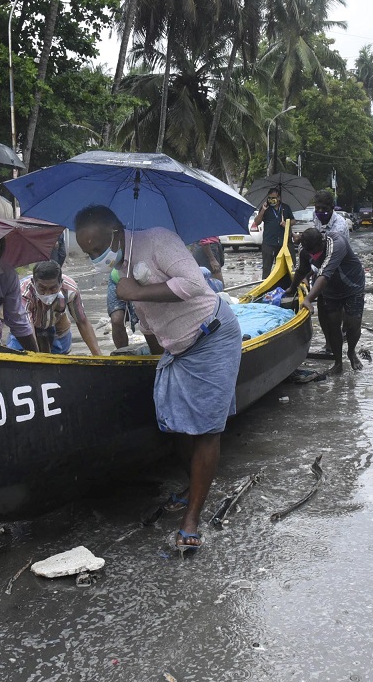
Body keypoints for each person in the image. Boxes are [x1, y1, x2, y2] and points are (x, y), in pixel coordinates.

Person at [75, 205, 241, 553]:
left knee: (208, 428)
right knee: (175, 423)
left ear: (116, 233)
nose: (94, 258)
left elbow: (194, 284)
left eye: (96, 248)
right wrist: (156, 357)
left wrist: (137, 293)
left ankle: (192, 517)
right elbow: (147, 321)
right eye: (88, 252)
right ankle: (192, 485)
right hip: (176, 349)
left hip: (211, 337)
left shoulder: (157, 241)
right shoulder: (119, 269)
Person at [284, 227, 366, 374]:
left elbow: (325, 273)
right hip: (330, 289)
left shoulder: (336, 243)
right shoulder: (304, 248)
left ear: (321, 242)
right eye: (310, 253)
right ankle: (338, 363)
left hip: (352, 285)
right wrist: (291, 288)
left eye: (315, 251)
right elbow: (302, 270)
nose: (313, 255)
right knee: (333, 325)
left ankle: (351, 352)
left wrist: (308, 299)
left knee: (353, 323)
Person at [10, 260, 102, 355]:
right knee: (20, 356)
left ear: (61, 283)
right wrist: (36, 359)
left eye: (53, 289)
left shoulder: (70, 289)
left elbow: (82, 321)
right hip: (27, 326)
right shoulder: (22, 293)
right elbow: (27, 328)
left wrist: (98, 355)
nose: (47, 293)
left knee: (61, 359)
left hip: (56, 323)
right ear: (33, 282)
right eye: (42, 289)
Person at [252, 187, 294, 279]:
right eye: (270, 198)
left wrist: (286, 223)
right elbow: (257, 222)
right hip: (269, 242)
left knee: (283, 266)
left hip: (283, 242)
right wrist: (263, 210)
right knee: (267, 267)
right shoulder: (265, 208)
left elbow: (293, 221)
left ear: (278, 198)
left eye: (273, 198)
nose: (271, 200)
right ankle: (264, 285)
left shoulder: (285, 208)